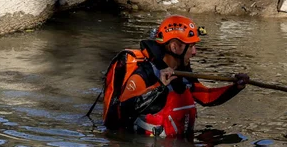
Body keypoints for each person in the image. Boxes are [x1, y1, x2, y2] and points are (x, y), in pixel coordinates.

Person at [100, 15, 250, 138]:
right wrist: (159, 87)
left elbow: (206, 97)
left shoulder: (184, 72)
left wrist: (235, 87)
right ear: (175, 47)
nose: (195, 52)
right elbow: (124, 110)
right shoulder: (144, 73)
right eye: (191, 46)